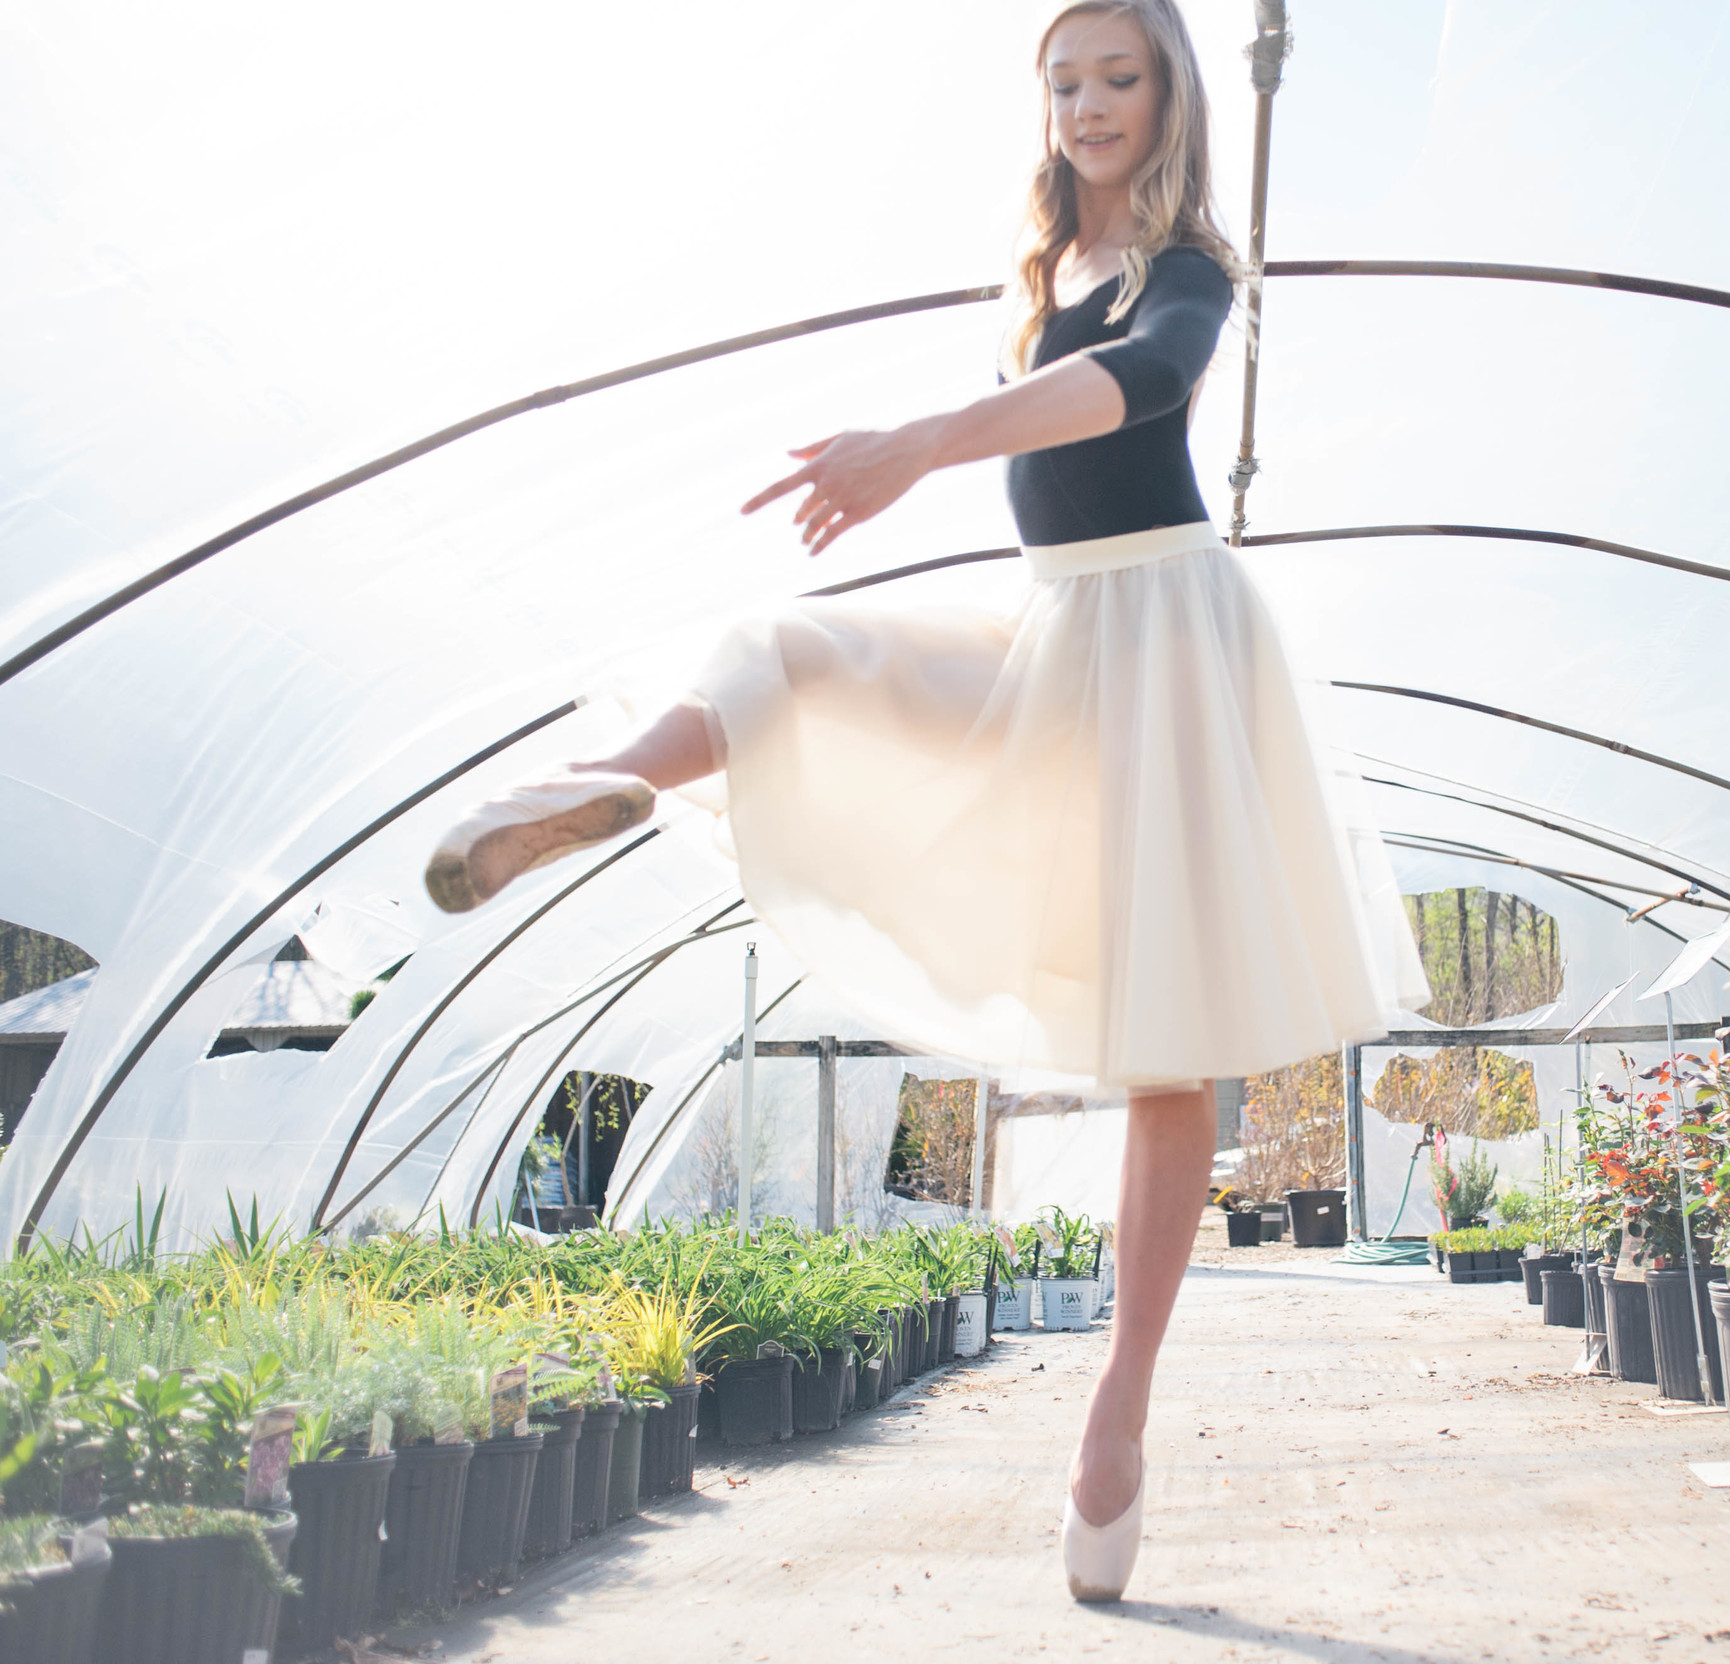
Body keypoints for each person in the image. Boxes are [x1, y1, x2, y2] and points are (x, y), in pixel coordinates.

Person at [422, 0, 1421, 1604]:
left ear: (1169, 94)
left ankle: (1119, 1412)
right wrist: (936, 436)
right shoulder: (1037, 276)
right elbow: (1053, 410)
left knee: (1165, 1057)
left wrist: (924, 444)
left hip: (1161, 641)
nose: (1089, 105)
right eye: (1065, 81)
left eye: (1119, 76)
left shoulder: (1187, 270)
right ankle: (590, 787)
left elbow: (1142, 394)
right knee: (792, 648)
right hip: (1049, 630)